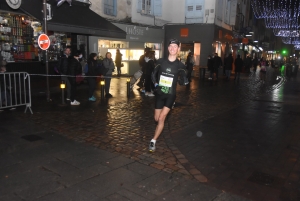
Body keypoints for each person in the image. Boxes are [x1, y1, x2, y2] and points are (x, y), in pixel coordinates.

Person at [148, 38, 189, 152]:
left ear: (178, 49)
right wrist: (156, 85)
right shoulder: (161, 61)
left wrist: (184, 80)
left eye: (175, 46)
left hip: (171, 96)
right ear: (168, 48)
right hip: (160, 94)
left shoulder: (181, 65)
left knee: (162, 118)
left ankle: (153, 141)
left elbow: (183, 80)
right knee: (157, 119)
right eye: (171, 46)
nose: (172, 48)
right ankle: (156, 134)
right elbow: (153, 75)